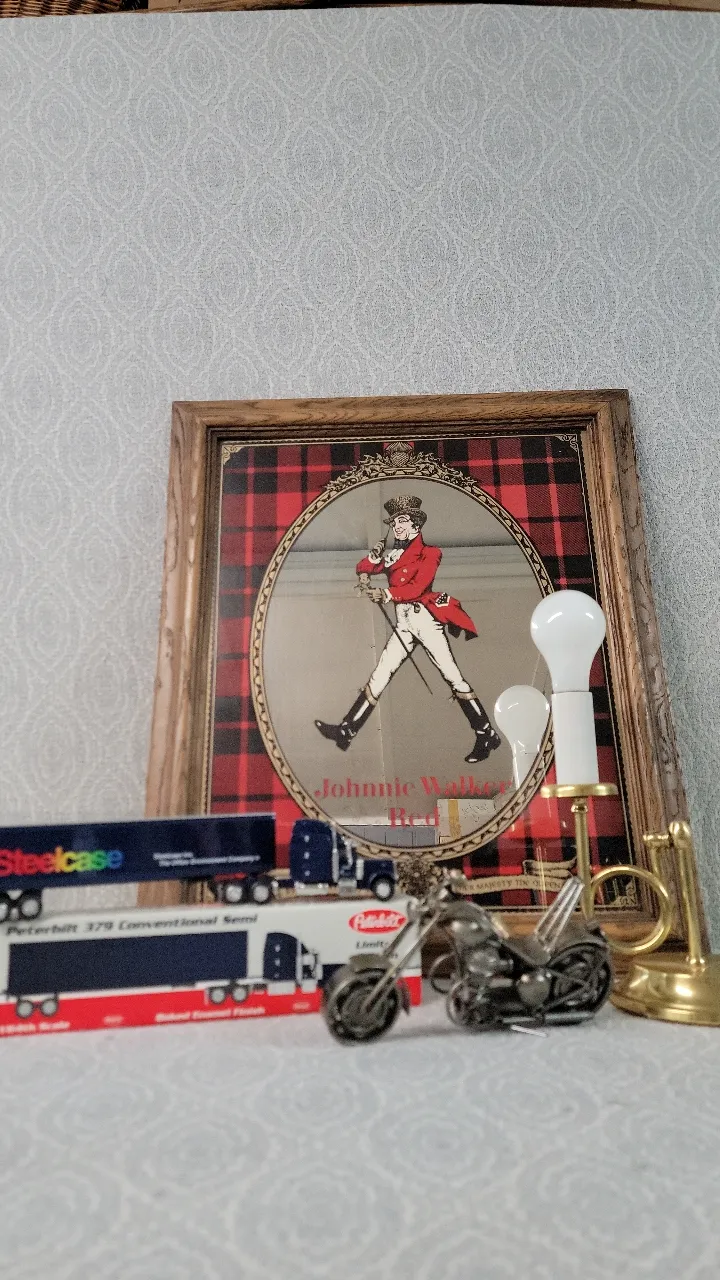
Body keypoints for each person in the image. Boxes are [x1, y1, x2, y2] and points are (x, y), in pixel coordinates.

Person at [314, 495, 501, 765]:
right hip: (404, 623)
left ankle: (486, 734)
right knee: (380, 674)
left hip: (424, 619)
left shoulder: (430, 553)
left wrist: (386, 594)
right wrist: (372, 559)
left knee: (452, 676)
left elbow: (417, 588)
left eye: (401, 521)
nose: (396, 527)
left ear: (416, 524)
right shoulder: (393, 554)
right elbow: (364, 567)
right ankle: (347, 730)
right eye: (394, 523)